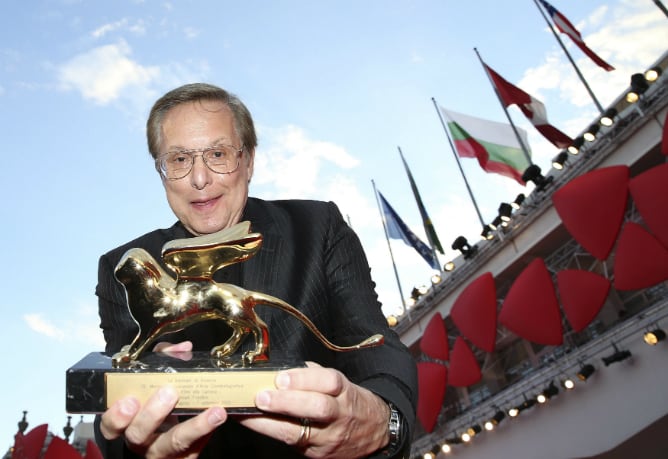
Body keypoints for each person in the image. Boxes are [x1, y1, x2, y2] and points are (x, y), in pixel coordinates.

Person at [94, 83, 417, 459]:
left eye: (218, 154)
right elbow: (112, 411)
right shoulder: (122, 266)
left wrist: (383, 424)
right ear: (161, 172)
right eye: (179, 159)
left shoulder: (317, 226)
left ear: (248, 161)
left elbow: (376, 350)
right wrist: (140, 432)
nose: (200, 178)